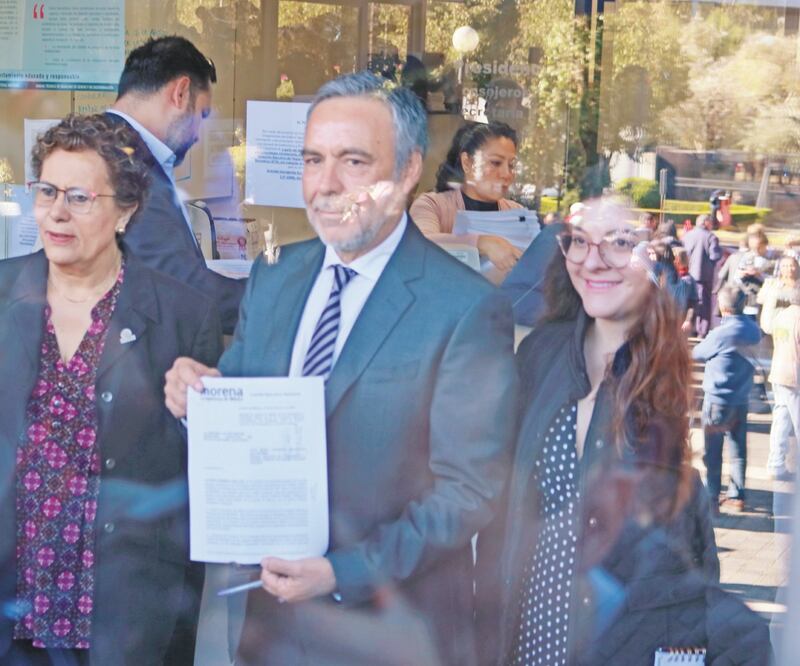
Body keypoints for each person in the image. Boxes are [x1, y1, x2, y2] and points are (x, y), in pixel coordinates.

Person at [164, 71, 518, 666]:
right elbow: (243, 420)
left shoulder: (466, 308)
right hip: (270, 627)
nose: (325, 185)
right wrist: (197, 402)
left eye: (353, 161)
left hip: (391, 632)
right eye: (312, 159)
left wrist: (338, 572)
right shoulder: (276, 276)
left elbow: (468, 493)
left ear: (407, 171)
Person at [474, 199, 768, 665]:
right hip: (526, 629)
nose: (593, 260)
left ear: (652, 262)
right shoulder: (542, 353)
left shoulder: (658, 371)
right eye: (580, 242)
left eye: (618, 243)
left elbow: (676, 539)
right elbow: (501, 501)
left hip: (613, 637)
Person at [0, 115, 223, 664]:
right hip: (13, 592)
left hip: (125, 603)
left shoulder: (181, 312)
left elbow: (206, 466)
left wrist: (205, 409)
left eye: (79, 197)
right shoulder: (4, 292)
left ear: (124, 211)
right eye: (47, 191)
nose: (56, 211)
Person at [107, 35, 245, 334]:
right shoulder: (129, 167)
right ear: (181, 93)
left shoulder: (106, 142)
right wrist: (286, 298)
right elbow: (186, 292)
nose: (199, 134)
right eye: (202, 114)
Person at [409, 121, 524, 276]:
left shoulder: (517, 213)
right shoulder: (431, 205)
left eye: (511, 165)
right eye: (496, 162)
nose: (506, 174)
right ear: (467, 163)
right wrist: (482, 243)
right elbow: (418, 246)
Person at [693, 286, 761, 513]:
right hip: (741, 398)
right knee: (738, 449)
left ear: (722, 307)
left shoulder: (721, 333)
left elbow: (698, 353)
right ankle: (737, 496)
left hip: (717, 400)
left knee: (713, 452)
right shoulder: (754, 329)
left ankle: (712, 497)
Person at [766, 286, 800, 479]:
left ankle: (776, 464)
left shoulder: (781, 316)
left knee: (781, 420)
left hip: (778, 371)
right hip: (794, 375)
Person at [682, 214, 722, 337]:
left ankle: (689, 327)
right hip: (703, 276)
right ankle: (702, 331)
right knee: (703, 304)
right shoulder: (711, 237)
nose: (712, 225)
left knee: (690, 302)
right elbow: (714, 256)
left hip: (688, 275)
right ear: (705, 223)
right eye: (710, 222)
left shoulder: (687, 235)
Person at [758, 255, 799, 335]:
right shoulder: (771, 283)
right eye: (785, 266)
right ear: (780, 268)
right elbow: (760, 301)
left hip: (793, 329)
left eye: (792, 266)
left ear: (797, 267)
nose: (789, 269)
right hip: (771, 327)